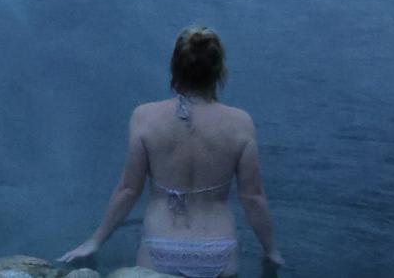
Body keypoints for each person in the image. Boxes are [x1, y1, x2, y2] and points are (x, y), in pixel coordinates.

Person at [60, 26, 283, 277]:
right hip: (217, 250)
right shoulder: (240, 122)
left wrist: (95, 241)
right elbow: (253, 198)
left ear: (175, 68)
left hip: (160, 248)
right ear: (219, 71)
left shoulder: (144, 117)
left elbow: (128, 190)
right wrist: (270, 251)